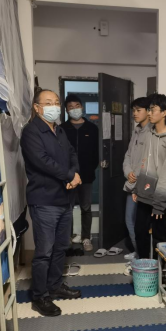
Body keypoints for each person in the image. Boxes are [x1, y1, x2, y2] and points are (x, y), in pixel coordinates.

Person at [21, 89, 82, 317]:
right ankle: (40, 296)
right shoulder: (31, 132)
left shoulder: (59, 130)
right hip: (44, 200)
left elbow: (72, 154)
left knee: (61, 247)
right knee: (44, 252)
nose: (54, 106)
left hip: (64, 198)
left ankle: (55, 285)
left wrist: (74, 174)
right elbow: (42, 161)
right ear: (37, 107)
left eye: (56, 102)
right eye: (48, 103)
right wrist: (69, 176)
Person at [133, 94, 166, 260]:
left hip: (160, 198)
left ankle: (158, 270)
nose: (149, 113)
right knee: (140, 232)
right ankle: (145, 267)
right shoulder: (149, 135)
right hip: (145, 194)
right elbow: (144, 164)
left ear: (164, 113)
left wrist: (160, 205)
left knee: (159, 237)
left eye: (153, 110)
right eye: (149, 109)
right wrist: (137, 189)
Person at [61, 94, 99, 252]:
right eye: (70, 107)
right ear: (66, 110)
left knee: (86, 208)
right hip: (67, 176)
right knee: (67, 208)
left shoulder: (92, 128)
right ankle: (68, 238)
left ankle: (86, 237)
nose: (74, 109)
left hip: (86, 176)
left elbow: (96, 153)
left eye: (77, 106)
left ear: (81, 107)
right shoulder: (62, 129)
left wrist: (89, 169)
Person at [122, 96, 152, 261]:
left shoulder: (152, 132)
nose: (134, 113)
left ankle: (142, 257)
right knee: (130, 220)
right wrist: (128, 172)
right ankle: (138, 253)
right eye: (133, 110)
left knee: (141, 223)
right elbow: (128, 156)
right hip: (131, 182)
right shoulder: (136, 131)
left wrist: (137, 176)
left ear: (148, 111)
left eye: (138, 110)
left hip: (143, 185)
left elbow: (149, 162)